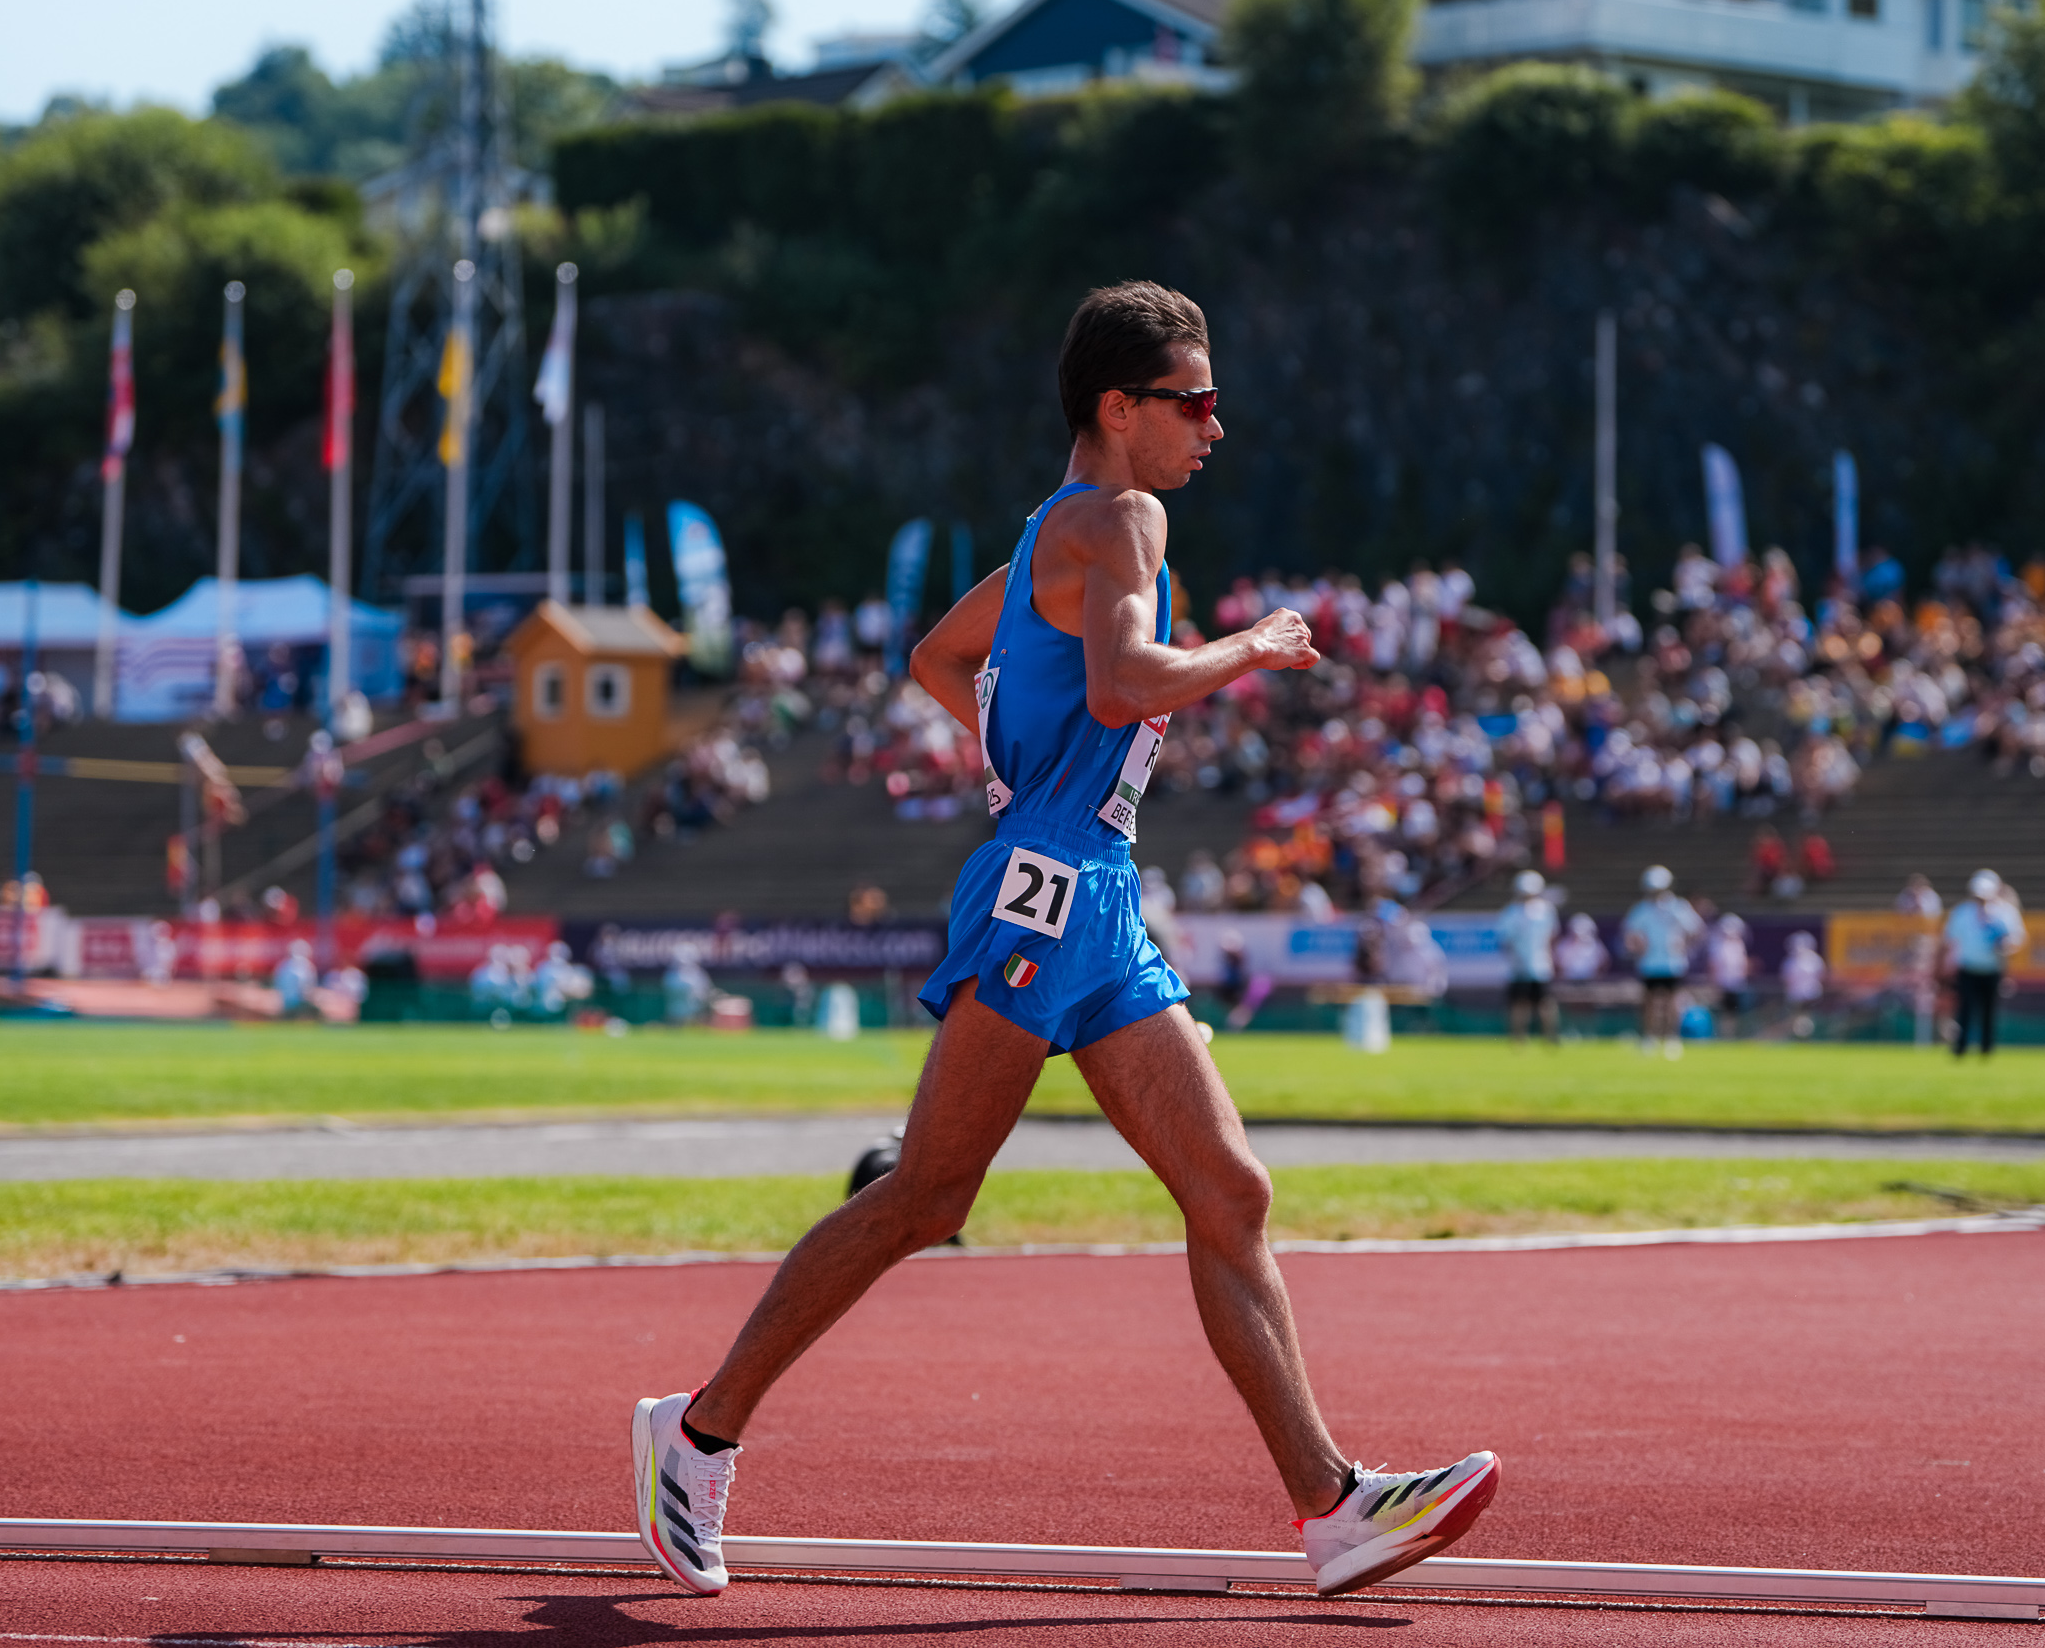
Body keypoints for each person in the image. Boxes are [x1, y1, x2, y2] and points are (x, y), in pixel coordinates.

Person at [632, 282, 1496, 1602]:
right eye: (1195, 401)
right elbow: (1123, 683)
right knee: (928, 1194)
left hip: (1094, 886)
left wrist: (1021, 766)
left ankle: (1332, 1506)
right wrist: (1252, 645)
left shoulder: (1058, 530)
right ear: (1119, 405)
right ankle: (693, 1436)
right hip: (1053, 882)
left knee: (1230, 1191)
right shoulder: (1126, 519)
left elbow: (939, 655)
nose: (1215, 426)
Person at [1621, 866, 1705, 1057]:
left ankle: (1671, 1038)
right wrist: (1637, 946)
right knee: (1649, 1002)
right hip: (1649, 962)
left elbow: (1696, 929)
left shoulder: (1678, 907)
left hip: (1672, 962)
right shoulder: (1642, 909)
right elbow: (1629, 933)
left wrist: (1685, 945)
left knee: (1672, 1002)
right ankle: (1649, 1037)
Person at [1942, 869, 2026, 1059]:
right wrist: (1948, 965)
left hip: (1992, 969)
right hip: (1968, 968)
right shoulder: (1962, 912)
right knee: (1965, 1008)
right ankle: (1961, 1046)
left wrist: (2006, 945)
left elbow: (2017, 937)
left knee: (1989, 1010)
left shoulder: (2005, 912)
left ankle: (1986, 1048)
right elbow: (1951, 939)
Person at [1494, 870, 1560, 1044]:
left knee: (1544, 1002)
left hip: (1540, 965)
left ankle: (1550, 1037)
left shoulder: (1545, 910)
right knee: (1519, 1003)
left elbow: (1552, 937)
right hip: (1518, 966)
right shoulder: (1511, 912)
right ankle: (1519, 1039)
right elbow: (1504, 940)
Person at [1705, 914, 1752, 1038]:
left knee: (1734, 1012)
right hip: (1722, 984)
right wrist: (1714, 984)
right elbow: (1713, 966)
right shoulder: (1718, 945)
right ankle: (1721, 1035)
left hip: (1736, 984)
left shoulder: (1739, 945)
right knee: (1722, 1012)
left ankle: (1731, 1035)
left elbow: (1742, 966)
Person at [1779, 931, 1825, 1038]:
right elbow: (1786, 979)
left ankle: (1809, 1036)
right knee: (1796, 1017)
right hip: (1795, 994)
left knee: (1809, 1016)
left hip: (1812, 994)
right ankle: (1798, 1036)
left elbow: (1821, 976)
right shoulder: (1790, 961)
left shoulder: (1815, 959)